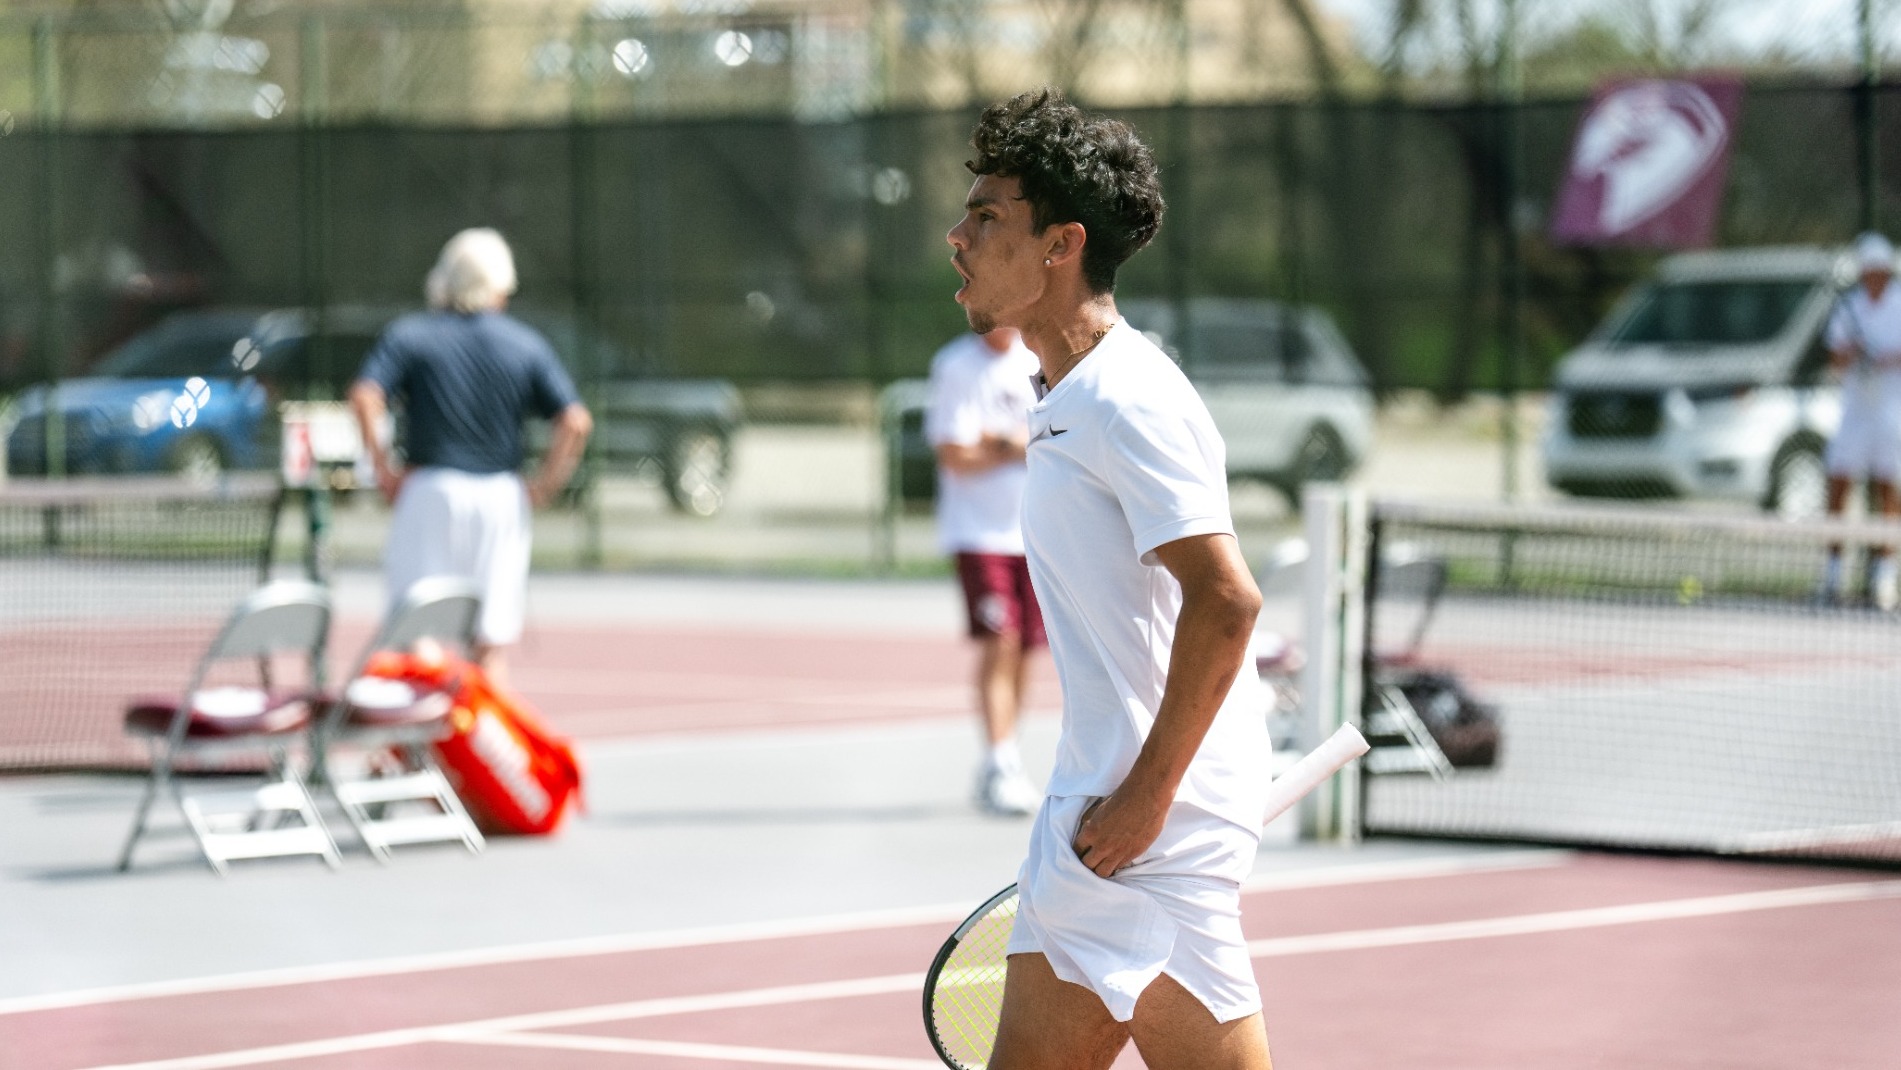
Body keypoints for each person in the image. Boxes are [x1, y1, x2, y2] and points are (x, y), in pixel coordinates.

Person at [946, 88, 1274, 1068]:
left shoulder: (1128, 401)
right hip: (1091, 821)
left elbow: (1226, 599)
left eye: (987, 216)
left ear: (1061, 244)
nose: (956, 236)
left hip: (1150, 839)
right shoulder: (1066, 398)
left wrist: (1147, 796)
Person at [349, 228, 594, 685]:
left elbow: (365, 395)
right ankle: (480, 748)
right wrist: (544, 486)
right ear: (501, 286)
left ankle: (425, 746)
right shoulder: (524, 343)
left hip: (430, 491)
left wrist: (382, 469)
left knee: (417, 633)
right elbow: (575, 421)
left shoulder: (412, 335)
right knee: (490, 645)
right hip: (501, 496)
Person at [925, 326, 1046, 816]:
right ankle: (999, 762)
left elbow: (1051, 442)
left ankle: (1007, 757)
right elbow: (955, 454)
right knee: (1002, 640)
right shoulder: (956, 365)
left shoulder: (1037, 359)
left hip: (1034, 533)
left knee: (1024, 652)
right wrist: (1012, 445)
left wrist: (1004, 442)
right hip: (979, 536)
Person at [1821, 231, 1901, 610]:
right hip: (1855, 412)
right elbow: (1835, 359)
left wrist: (1887, 359)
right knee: (1838, 483)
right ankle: (1833, 573)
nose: (1876, 277)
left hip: (1892, 411)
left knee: (1890, 488)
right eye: (1871, 271)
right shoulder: (1848, 307)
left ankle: (1885, 576)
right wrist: (1850, 354)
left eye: (1882, 271)